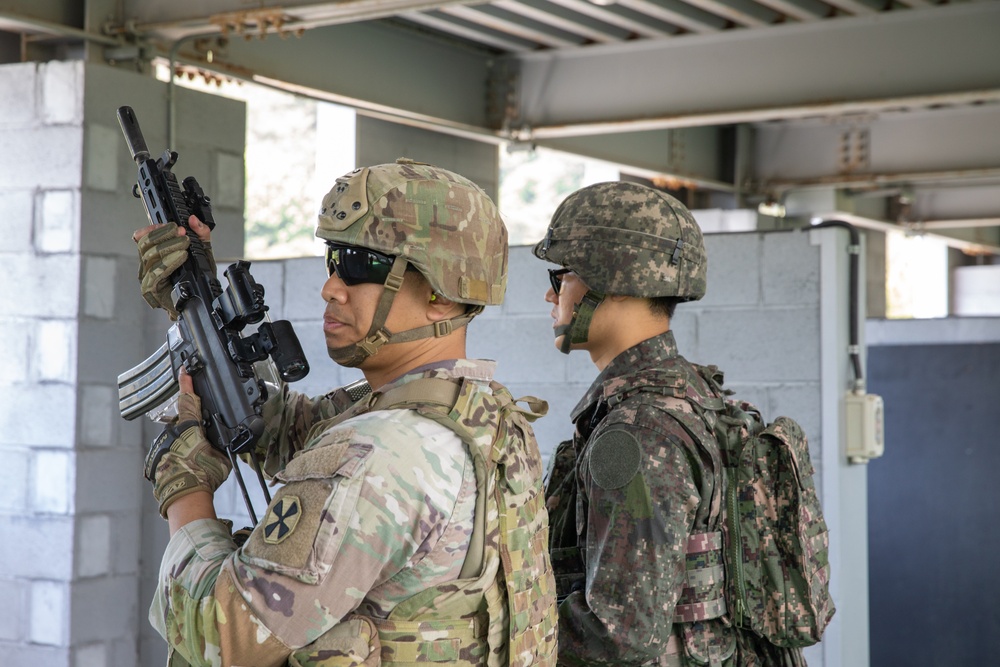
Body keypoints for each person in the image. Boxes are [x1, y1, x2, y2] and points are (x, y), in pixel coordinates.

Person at [134, 159, 558, 667]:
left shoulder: (377, 455)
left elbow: (221, 637)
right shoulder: (477, 411)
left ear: (443, 295)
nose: (331, 287)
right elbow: (302, 430)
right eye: (334, 259)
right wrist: (193, 304)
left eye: (361, 266)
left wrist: (184, 488)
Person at [535, 181, 806, 666]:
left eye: (563, 277)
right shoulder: (693, 396)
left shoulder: (638, 429)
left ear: (608, 279)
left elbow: (620, 633)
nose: (550, 295)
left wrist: (494, 632)